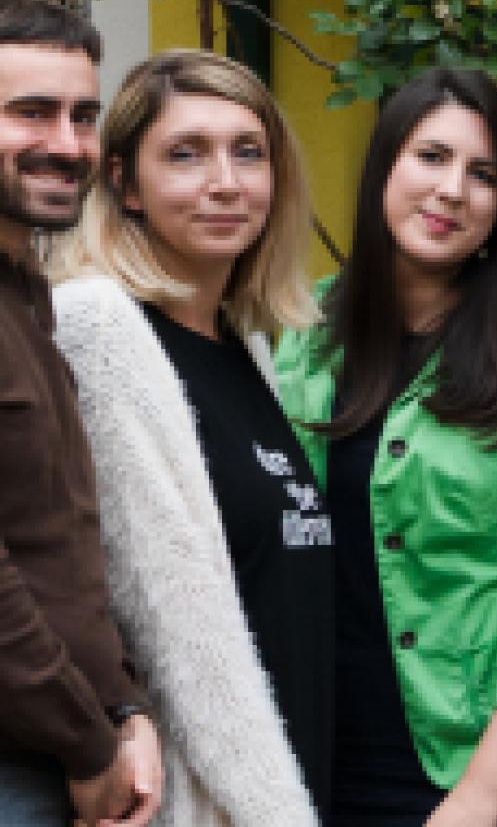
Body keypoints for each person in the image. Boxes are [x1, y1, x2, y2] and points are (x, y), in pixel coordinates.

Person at [276, 68, 497, 825]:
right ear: (384, 167)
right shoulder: (307, 331)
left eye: (483, 175)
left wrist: (482, 795)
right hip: (322, 752)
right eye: (430, 157)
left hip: (493, 764)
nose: (451, 191)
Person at [51, 50, 330, 825]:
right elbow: (169, 619)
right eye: (185, 154)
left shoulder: (245, 345)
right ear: (124, 185)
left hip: (295, 771)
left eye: (249, 152)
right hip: (203, 798)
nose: (226, 182)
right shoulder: (98, 330)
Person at [0, 0, 162, 827]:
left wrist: (123, 707)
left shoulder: (32, 297)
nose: (67, 146)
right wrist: (90, 741)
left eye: (83, 117)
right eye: (31, 113)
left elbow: (61, 550)